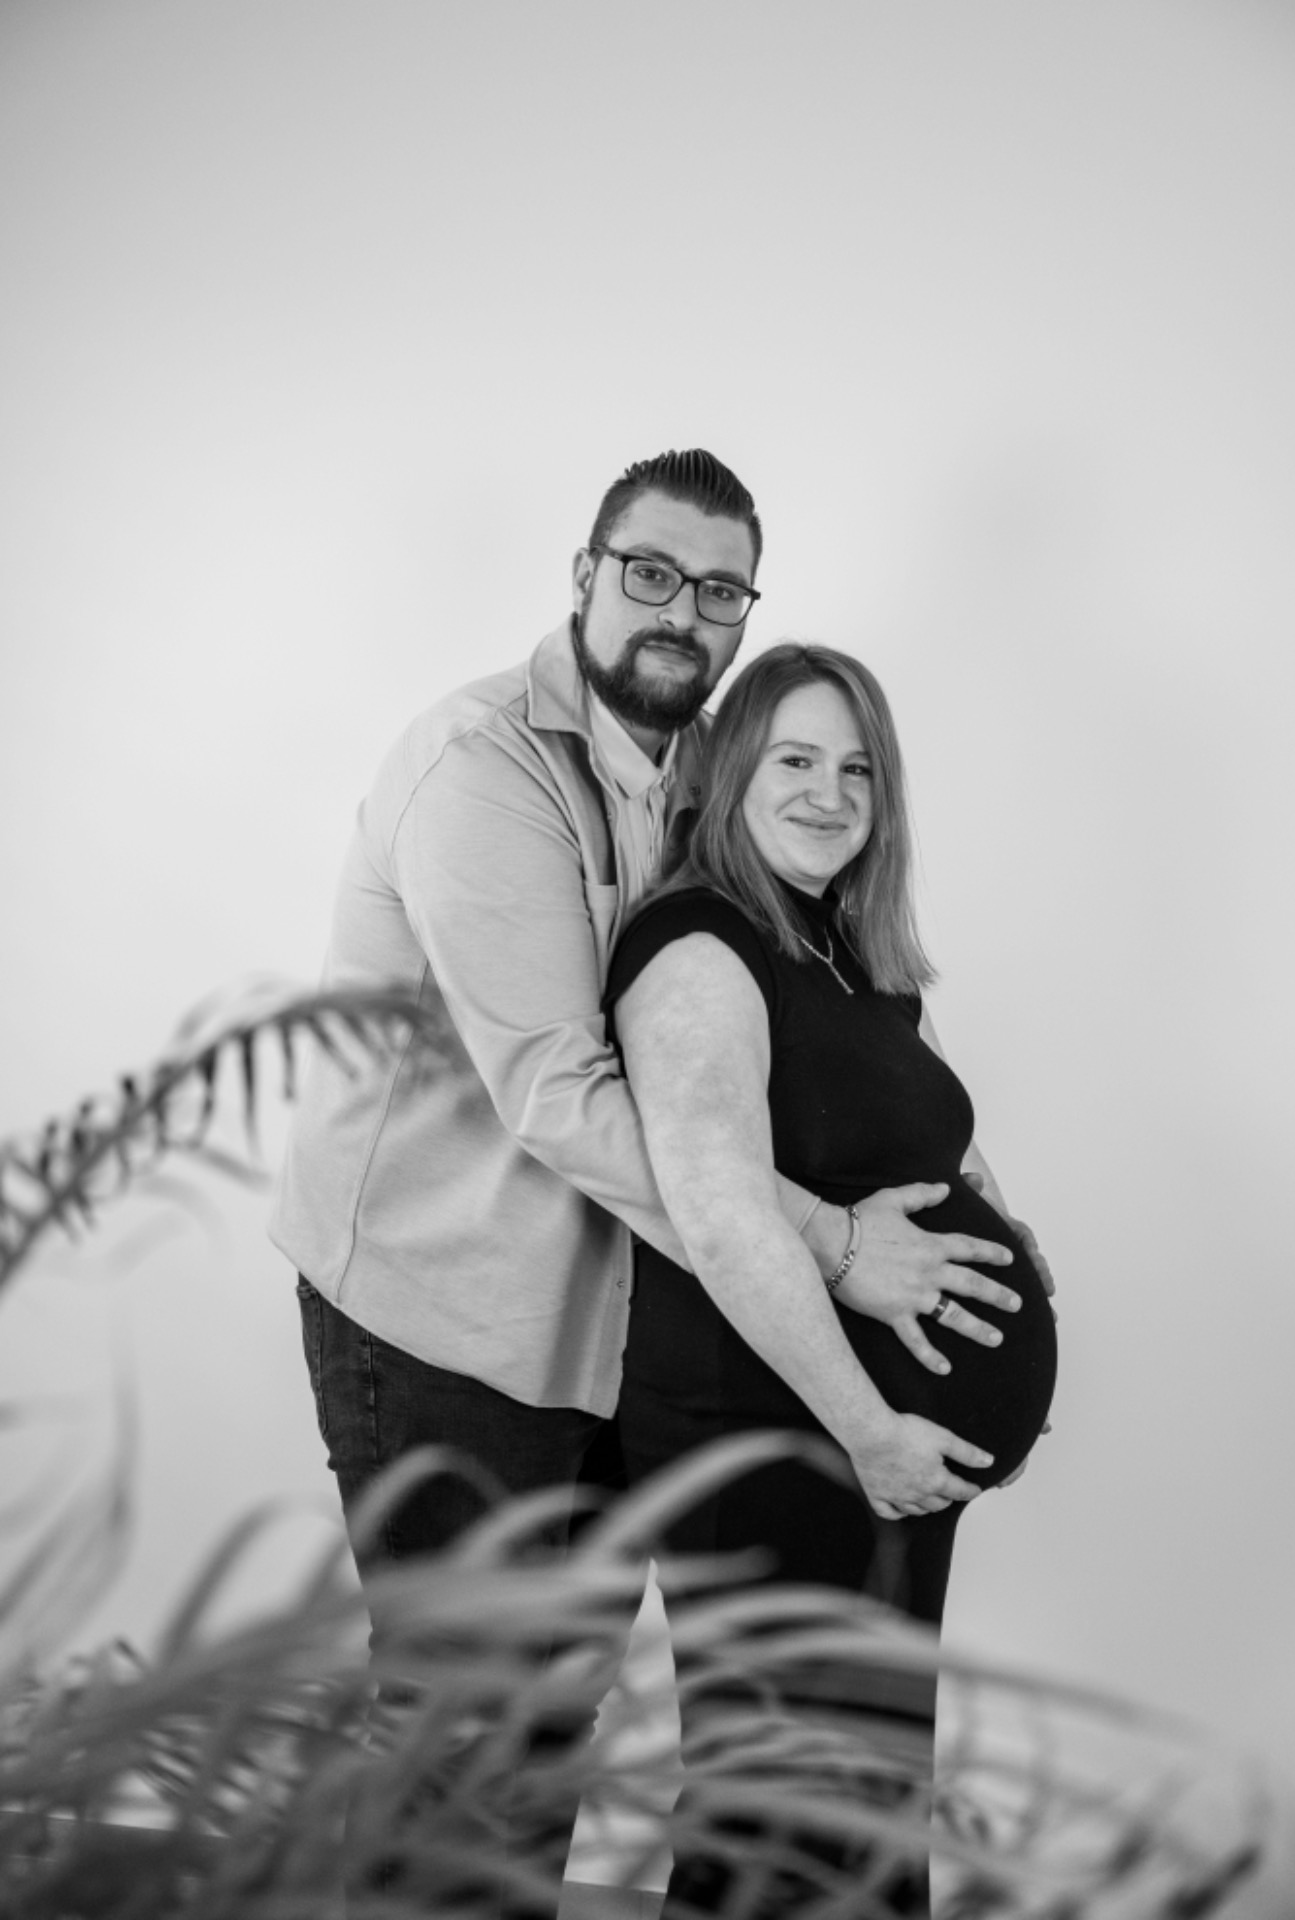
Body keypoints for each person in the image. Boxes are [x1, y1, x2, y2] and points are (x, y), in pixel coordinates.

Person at [270, 451, 1035, 1586]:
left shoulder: (718, 768)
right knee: (471, 1692)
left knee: (572, 1684)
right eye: (650, 573)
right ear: (585, 575)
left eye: (718, 591)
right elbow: (560, 1096)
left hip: (624, 1315)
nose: (682, 614)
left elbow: (820, 998)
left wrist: (973, 1209)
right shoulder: (480, 771)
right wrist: (830, 1245)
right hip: (444, 1322)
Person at [604, 642, 1059, 1910]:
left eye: (856, 768)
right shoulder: (698, 944)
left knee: (865, 1797)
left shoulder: (840, 946)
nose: (829, 792)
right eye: (794, 760)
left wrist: (1004, 1262)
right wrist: (871, 1430)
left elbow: (924, 1135)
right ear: (731, 772)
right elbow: (716, 1210)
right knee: (779, 1812)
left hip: (873, 1454)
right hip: (779, 1439)